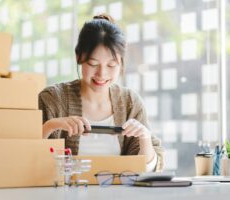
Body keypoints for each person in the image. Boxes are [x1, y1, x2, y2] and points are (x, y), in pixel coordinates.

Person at [39, 14, 164, 172]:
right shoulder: (52, 99)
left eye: (111, 65)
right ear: (78, 57)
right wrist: (51, 126)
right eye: (93, 64)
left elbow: (148, 169)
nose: (102, 74)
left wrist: (145, 138)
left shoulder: (130, 102)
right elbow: (23, 158)